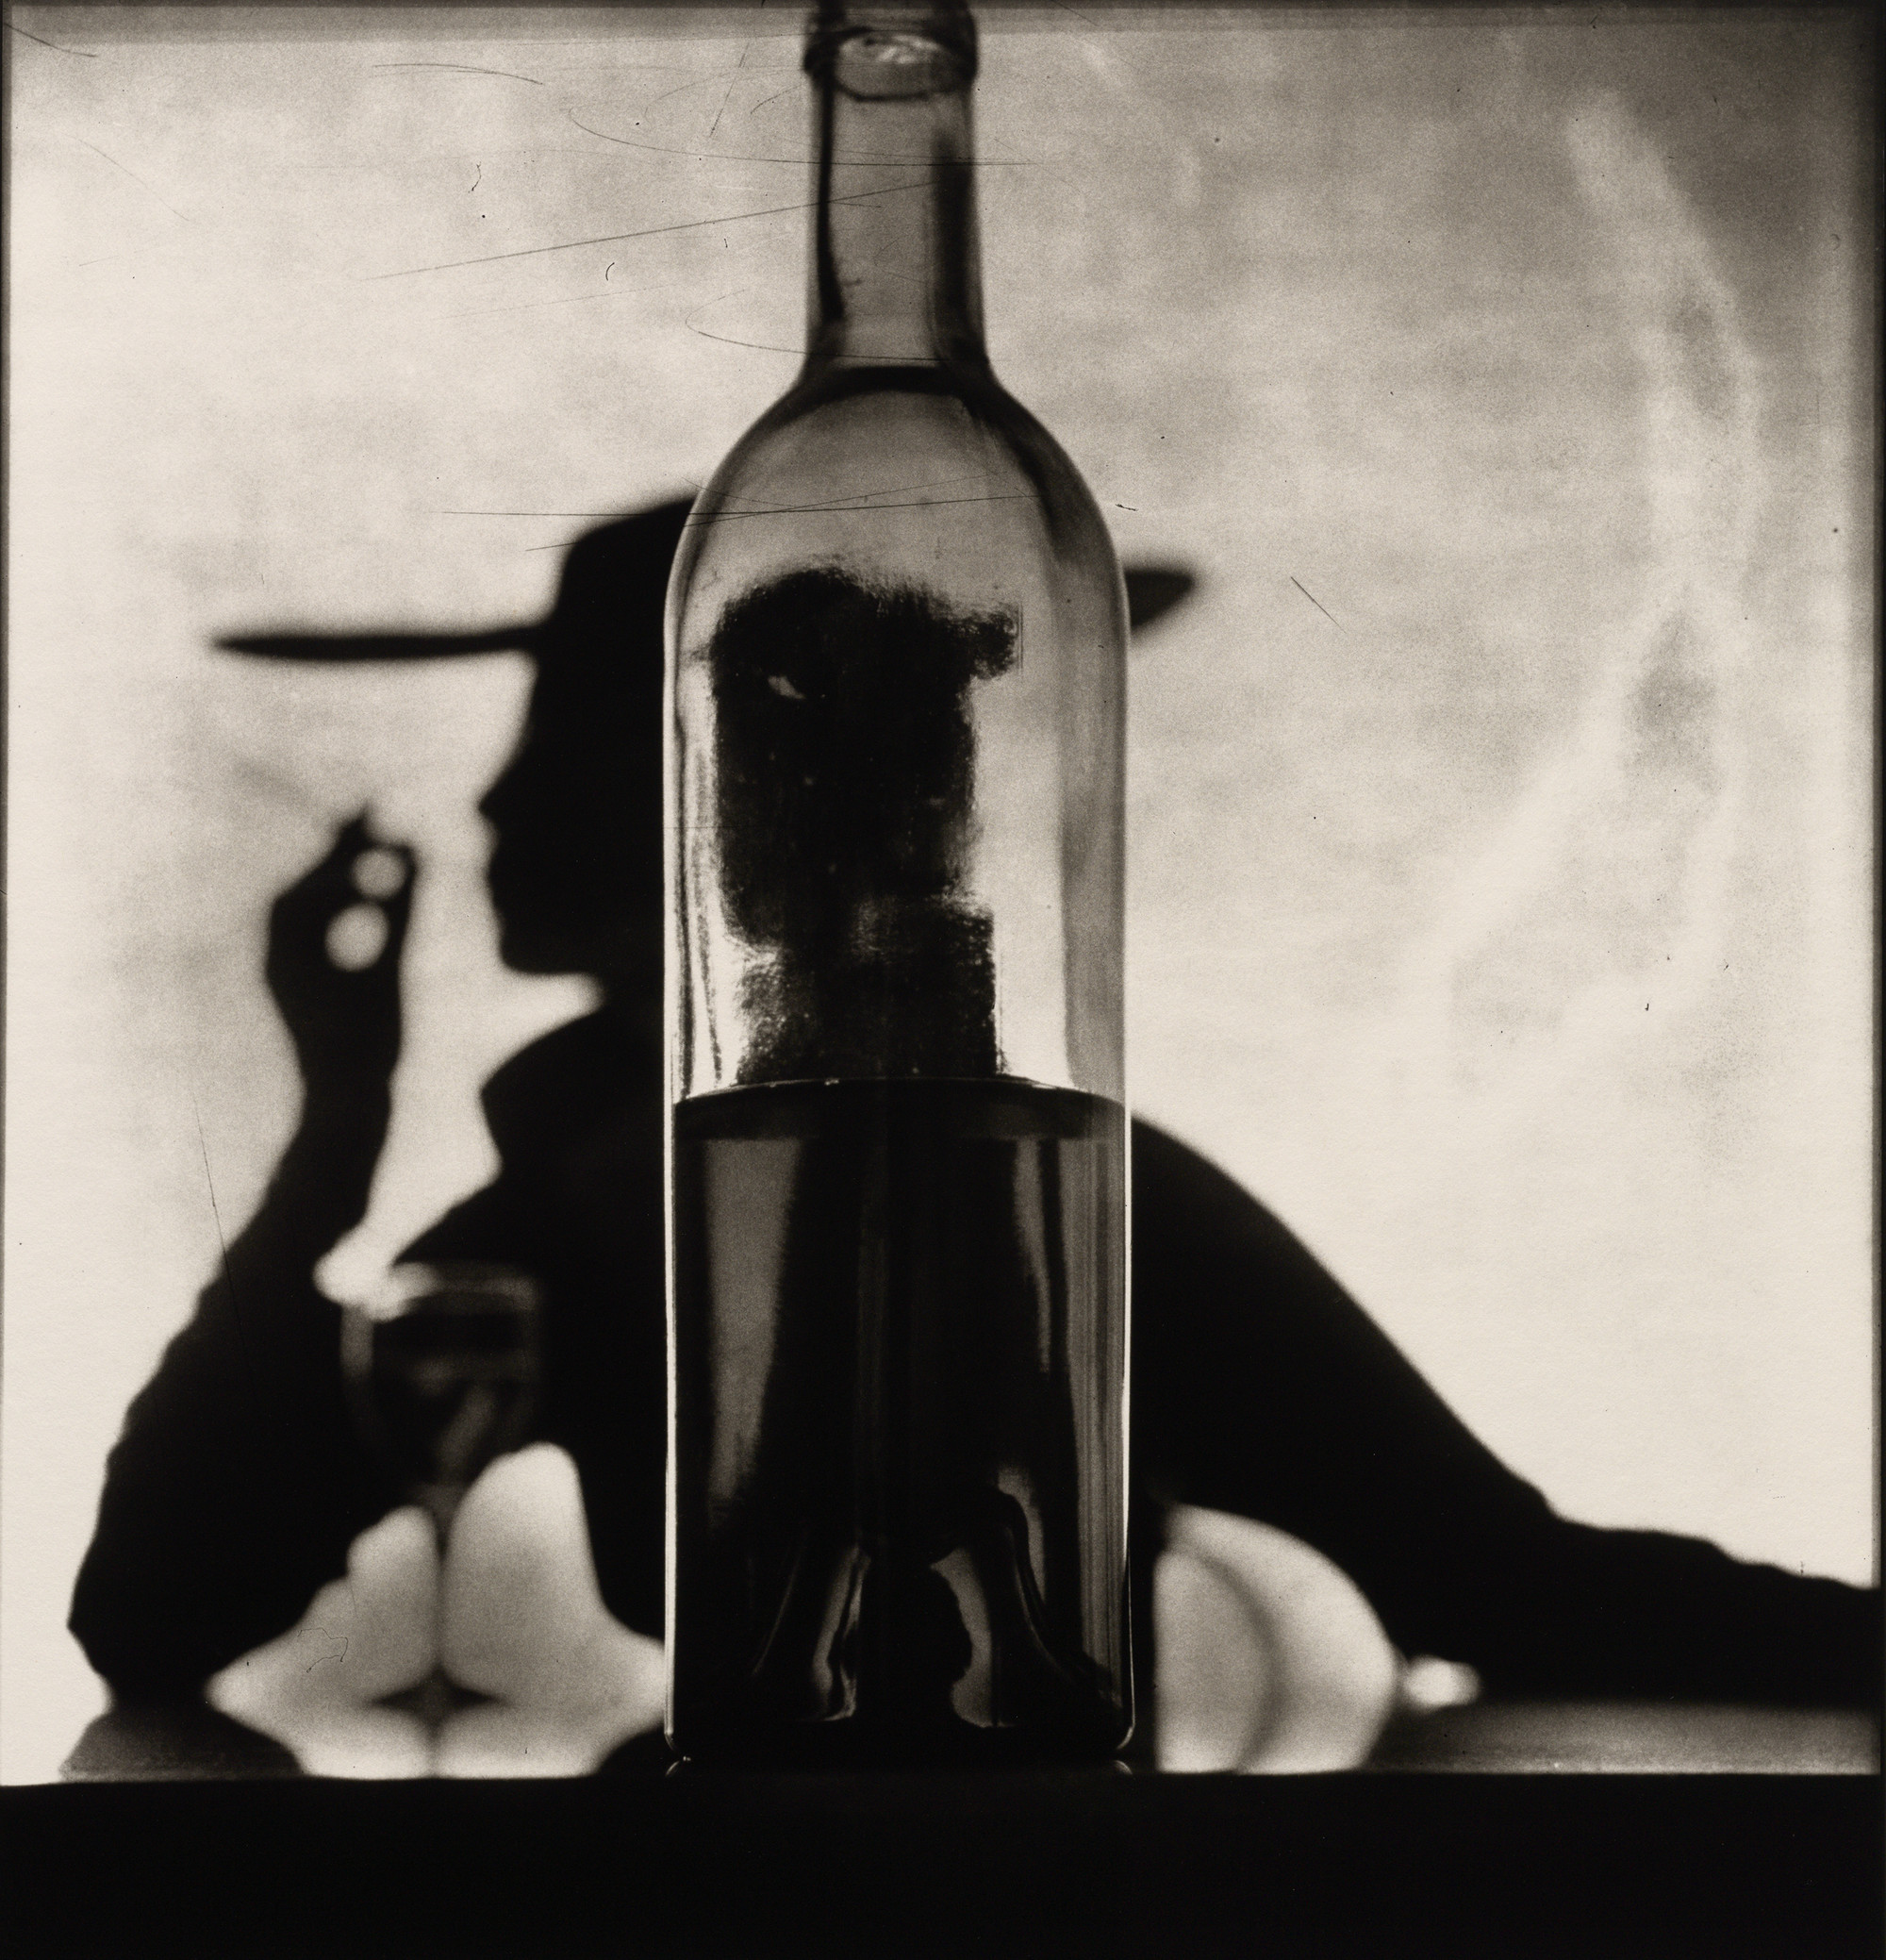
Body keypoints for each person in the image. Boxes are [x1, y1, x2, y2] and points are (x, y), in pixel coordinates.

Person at [68, 502, 1879, 1774]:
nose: (488, 794)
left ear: (725, 809)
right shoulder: (567, 1189)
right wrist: (332, 1124)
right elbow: (149, 1608)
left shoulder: (1046, 1186)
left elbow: (1506, 1586)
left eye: (568, 731)